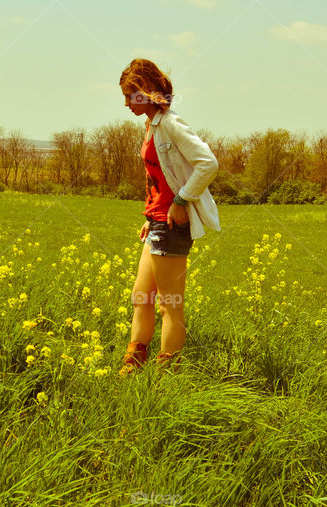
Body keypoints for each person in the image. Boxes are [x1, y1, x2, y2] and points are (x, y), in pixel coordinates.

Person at [117, 58, 220, 376]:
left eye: (130, 95)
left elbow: (208, 163)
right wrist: (152, 213)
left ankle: (165, 377)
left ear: (147, 92)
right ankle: (132, 367)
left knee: (169, 305)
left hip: (173, 224)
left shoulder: (171, 123)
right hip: (157, 222)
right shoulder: (152, 125)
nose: (126, 104)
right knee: (141, 296)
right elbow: (161, 177)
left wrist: (180, 202)